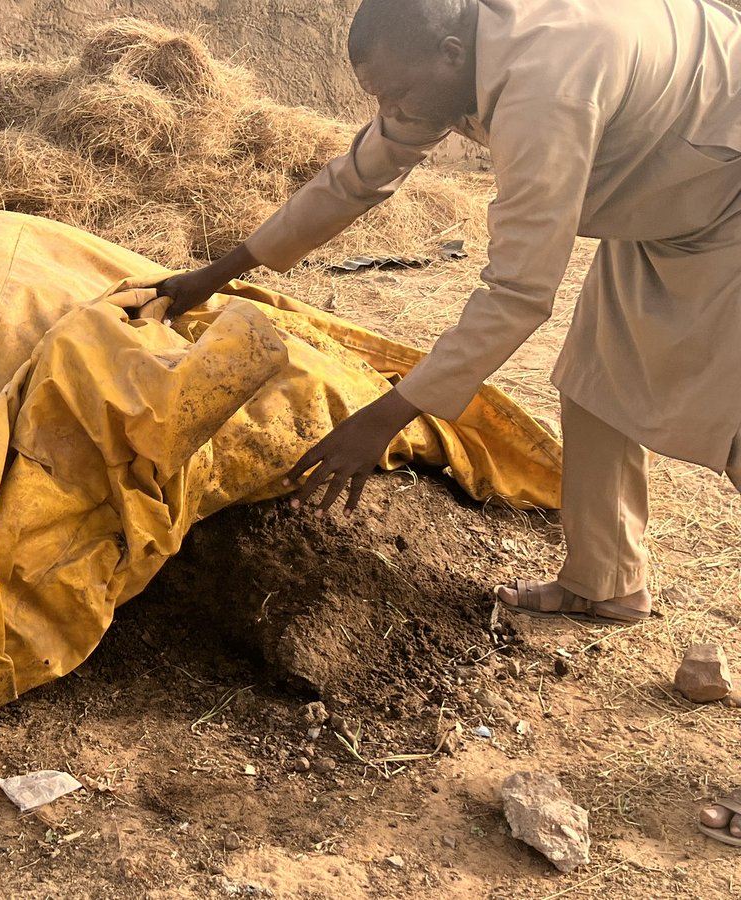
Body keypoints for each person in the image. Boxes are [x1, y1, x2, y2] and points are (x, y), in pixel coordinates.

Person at [156, 0, 741, 844]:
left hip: (723, 191)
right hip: (668, 191)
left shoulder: (546, 83)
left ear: (449, 47)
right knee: (594, 382)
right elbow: (361, 172)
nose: (397, 112)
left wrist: (385, 418)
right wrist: (222, 270)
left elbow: (516, 293)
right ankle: (603, 582)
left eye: (399, 92)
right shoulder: (450, 63)